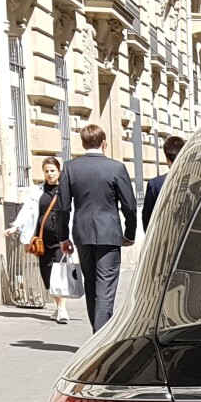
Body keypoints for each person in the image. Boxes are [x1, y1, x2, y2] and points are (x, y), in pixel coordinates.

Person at [55, 124, 137, 333]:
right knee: (105, 290)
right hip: (109, 234)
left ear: (82, 143)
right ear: (104, 143)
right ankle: (100, 340)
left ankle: (97, 335)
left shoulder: (70, 168)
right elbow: (129, 205)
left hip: (82, 234)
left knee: (91, 286)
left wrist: (63, 237)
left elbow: (63, 208)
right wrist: (130, 233)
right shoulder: (116, 168)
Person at [6, 157, 71, 323]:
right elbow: (27, 211)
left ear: (59, 171)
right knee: (48, 276)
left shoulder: (66, 189)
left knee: (59, 274)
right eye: (46, 171)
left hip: (61, 239)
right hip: (42, 240)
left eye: (52, 171)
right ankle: (58, 307)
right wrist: (15, 226)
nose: (49, 174)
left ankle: (62, 309)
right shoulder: (37, 191)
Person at [142, 134, 185, 233]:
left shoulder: (155, 184)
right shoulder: (198, 181)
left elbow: (147, 219)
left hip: (165, 239)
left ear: (168, 160)